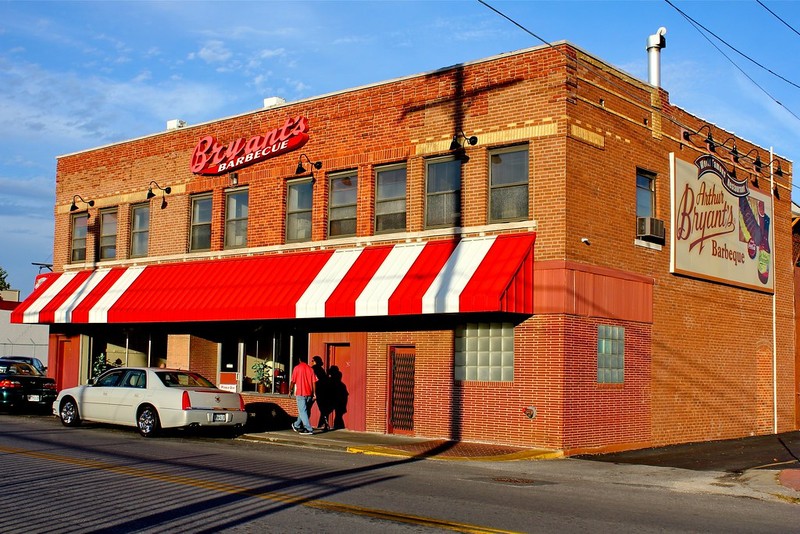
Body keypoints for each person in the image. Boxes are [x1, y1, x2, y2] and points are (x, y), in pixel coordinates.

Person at [289, 354, 316, 435]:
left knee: (303, 411)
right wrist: (314, 393)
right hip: (309, 393)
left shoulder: (297, 368)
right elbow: (314, 382)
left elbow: (293, 381)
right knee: (304, 411)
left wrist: (290, 390)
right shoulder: (310, 369)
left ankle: (309, 429)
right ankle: (296, 425)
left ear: (299, 360)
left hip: (301, 393)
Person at [311, 355, 330, 431]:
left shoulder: (313, 369)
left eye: (312, 361)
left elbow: (313, 380)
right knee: (323, 408)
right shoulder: (322, 370)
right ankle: (325, 424)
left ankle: (304, 424)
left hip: (315, 391)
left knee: (306, 407)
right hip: (323, 391)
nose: (312, 362)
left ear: (315, 361)